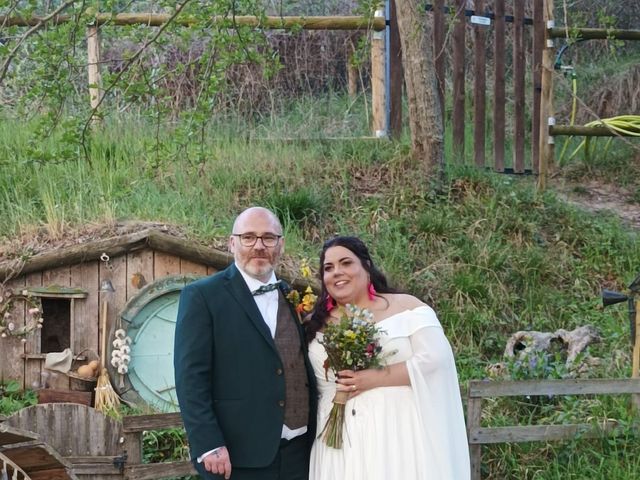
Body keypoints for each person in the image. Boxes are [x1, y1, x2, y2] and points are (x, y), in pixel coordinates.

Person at [306, 236, 470, 480]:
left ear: (367, 266)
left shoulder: (407, 307)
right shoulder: (312, 323)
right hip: (336, 439)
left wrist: (372, 379)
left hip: (397, 431)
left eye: (346, 263)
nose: (337, 272)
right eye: (328, 268)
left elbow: (436, 361)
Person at [174, 207, 317, 480]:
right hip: (236, 455)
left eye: (268, 238)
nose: (259, 246)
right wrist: (208, 444)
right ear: (232, 243)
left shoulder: (293, 297)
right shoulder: (202, 296)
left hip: (300, 453)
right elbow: (190, 376)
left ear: (281, 244)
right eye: (248, 237)